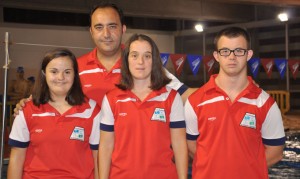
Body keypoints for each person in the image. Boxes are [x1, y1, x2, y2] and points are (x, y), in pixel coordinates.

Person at [184, 27, 285, 179]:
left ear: (248, 54)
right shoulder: (196, 101)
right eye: (225, 51)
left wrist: (242, 171)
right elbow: (190, 146)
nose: (232, 57)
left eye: (239, 51)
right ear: (216, 56)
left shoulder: (265, 103)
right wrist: (214, 166)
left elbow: (276, 152)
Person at [99, 34, 188, 179]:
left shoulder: (171, 97)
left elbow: (179, 144)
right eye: (134, 55)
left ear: (155, 61)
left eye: (147, 56)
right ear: (126, 60)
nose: (141, 62)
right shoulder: (112, 99)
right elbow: (106, 146)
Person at [7, 48, 100, 179]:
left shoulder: (92, 110)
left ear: (75, 75)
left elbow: (98, 158)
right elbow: (17, 156)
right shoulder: (27, 110)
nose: (60, 77)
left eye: (67, 72)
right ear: (44, 74)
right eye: (54, 71)